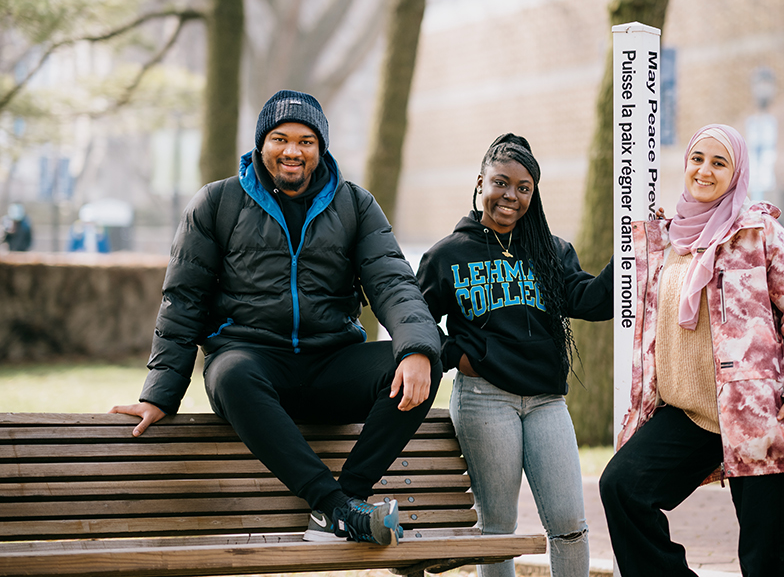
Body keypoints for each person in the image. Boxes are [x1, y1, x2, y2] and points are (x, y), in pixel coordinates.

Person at [111, 89, 442, 547]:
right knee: (229, 373)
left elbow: (393, 284)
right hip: (252, 364)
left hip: (332, 364)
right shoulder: (217, 203)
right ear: (260, 145)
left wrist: (418, 348)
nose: (292, 150)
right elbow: (183, 300)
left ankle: (344, 504)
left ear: (320, 148)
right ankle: (335, 506)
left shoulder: (355, 205)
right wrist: (160, 395)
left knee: (419, 363)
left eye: (306, 141)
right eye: (280, 138)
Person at [599, 124, 784, 577]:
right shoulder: (666, 240)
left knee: (769, 563)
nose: (704, 170)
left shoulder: (761, 234)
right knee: (622, 488)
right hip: (690, 415)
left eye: (719, 162)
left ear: (736, 172)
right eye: (697, 159)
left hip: (760, 415)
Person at [416, 133, 613, 577]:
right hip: (485, 399)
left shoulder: (551, 251)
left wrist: (631, 254)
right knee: (499, 529)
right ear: (481, 182)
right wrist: (458, 355)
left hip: (546, 401)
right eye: (502, 183)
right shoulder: (448, 255)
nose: (511, 196)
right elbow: (416, 322)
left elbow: (588, 300)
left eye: (524, 188)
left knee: (569, 526)